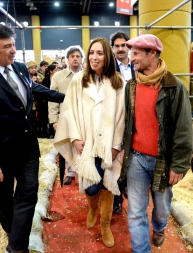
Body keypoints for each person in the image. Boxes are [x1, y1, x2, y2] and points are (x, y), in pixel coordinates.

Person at [0, 22, 65, 253]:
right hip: (0, 156)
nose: (13, 50)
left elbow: (34, 89)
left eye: (13, 44)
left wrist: (66, 97)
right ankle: (13, 231)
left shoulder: (18, 68)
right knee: (5, 203)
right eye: (7, 46)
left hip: (27, 149)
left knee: (28, 193)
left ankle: (17, 248)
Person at [120, 34, 193, 252]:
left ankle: (159, 226)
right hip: (136, 159)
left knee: (161, 208)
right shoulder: (131, 86)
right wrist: (124, 151)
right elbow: (127, 123)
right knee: (135, 211)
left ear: (152, 54)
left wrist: (179, 165)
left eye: (136, 54)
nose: (131, 58)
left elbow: (183, 128)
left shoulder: (174, 87)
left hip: (163, 160)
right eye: (131, 53)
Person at [53, 37, 125, 248]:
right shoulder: (79, 80)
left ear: (108, 56)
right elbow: (69, 111)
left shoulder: (119, 82)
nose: (94, 57)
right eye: (91, 52)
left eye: (99, 53)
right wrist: (74, 137)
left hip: (109, 144)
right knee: (92, 188)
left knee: (108, 184)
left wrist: (116, 145)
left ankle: (105, 224)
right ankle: (93, 208)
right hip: (86, 143)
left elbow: (123, 117)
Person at [49, 45, 84, 185]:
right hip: (65, 117)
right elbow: (52, 100)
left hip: (83, 117)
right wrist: (54, 120)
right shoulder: (58, 76)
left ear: (82, 59)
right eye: (72, 56)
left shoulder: (87, 75)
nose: (75, 59)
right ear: (67, 59)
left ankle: (84, 172)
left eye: (78, 56)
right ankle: (70, 172)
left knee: (83, 144)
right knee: (68, 144)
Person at [109, 30, 135, 214]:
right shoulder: (110, 70)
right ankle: (117, 198)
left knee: (132, 158)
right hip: (116, 121)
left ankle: (129, 191)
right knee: (117, 159)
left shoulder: (137, 67)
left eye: (123, 45)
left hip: (136, 120)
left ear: (129, 46)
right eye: (117, 46)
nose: (120, 49)